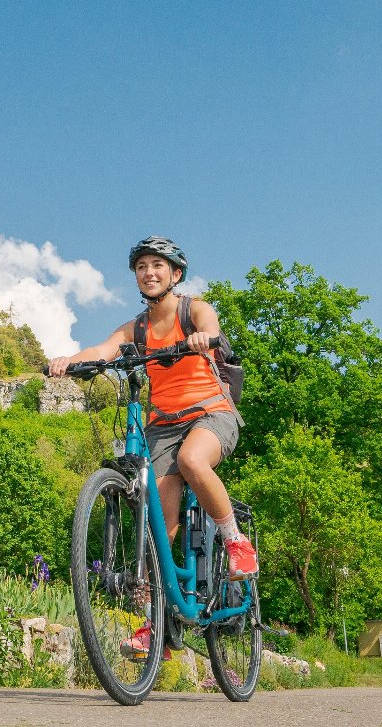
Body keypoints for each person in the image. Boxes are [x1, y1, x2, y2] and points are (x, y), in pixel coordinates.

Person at [48, 236, 256, 657]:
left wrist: (203, 339)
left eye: (157, 265)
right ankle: (159, 624)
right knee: (159, 522)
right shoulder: (136, 328)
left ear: (175, 274)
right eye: (142, 266)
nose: (149, 272)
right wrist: (70, 360)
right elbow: (104, 349)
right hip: (162, 423)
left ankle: (236, 543)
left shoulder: (192, 309)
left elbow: (211, 326)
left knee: (192, 460)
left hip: (210, 412)